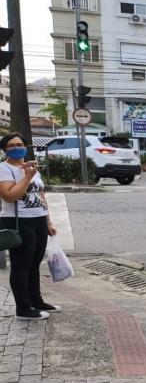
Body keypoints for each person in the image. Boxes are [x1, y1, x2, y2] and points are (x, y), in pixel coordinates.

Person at [0, 133, 60, 320]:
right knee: (21, 265)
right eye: (11, 145)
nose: (16, 148)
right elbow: (9, 196)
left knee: (35, 264)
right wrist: (27, 177)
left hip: (38, 219)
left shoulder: (32, 167)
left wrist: (48, 220)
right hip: (18, 220)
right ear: (4, 149)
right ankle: (23, 309)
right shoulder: (4, 168)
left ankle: (36, 301)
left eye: (20, 144)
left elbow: (41, 196)